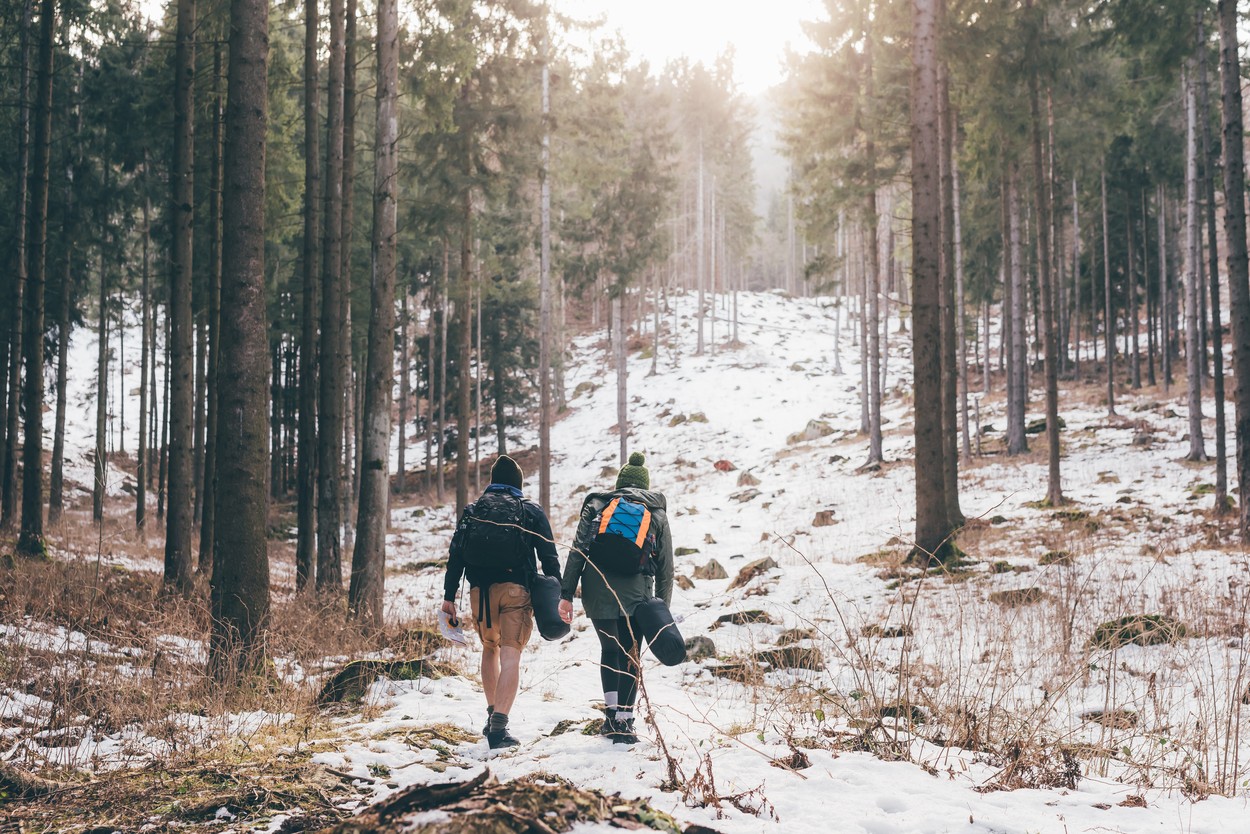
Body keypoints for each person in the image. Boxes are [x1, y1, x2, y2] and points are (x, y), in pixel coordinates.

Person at [442, 455, 565, 750]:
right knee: (510, 657)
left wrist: (449, 598)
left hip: (479, 594)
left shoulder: (473, 511)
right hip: (515, 592)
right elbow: (549, 557)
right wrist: (557, 593)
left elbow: (455, 556)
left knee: (489, 649)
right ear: (518, 484)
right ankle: (499, 728)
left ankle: (491, 715)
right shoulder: (529, 510)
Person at [559, 452, 674, 745]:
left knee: (610, 652)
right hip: (637, 594)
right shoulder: (656, 514)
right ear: (645, 486)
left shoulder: (598, 505)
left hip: (597, 589)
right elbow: (665, 567)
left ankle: (610, 717)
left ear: (620, 483)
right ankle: (625, 721)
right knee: (630, 655)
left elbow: (578, 551)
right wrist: (662, 611)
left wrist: (566, 594)